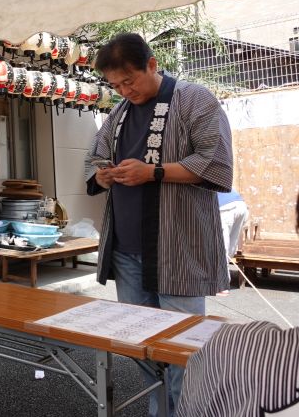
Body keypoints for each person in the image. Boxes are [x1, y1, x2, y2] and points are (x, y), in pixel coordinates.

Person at [84, 33, 233, 415]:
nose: (124, 91)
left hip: (178, 246)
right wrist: (103, 176)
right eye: (115, 85)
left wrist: (154, 172)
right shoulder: (119, 113)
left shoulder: (194, 99)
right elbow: (95, 158)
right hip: (126, 249)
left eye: (129, 80)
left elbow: (215, 161)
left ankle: (190, 410)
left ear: (152, 64)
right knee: (141, 342)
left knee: (185, 346)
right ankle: (160, 409)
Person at [175, 191, 299, 417]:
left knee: (221, 245)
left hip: (225, 208)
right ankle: (225, 276)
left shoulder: (227, 348)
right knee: (229, 246)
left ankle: (222, 281)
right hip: (240, 205)